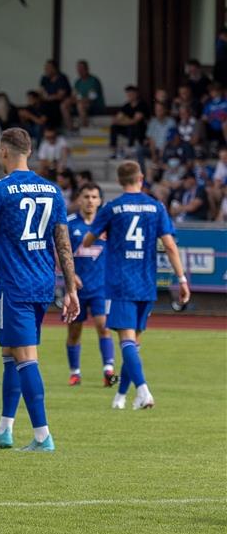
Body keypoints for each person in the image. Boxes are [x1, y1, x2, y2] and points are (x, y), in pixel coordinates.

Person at [0, 128, 78, 453]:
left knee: (25, 357)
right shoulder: (52, 190)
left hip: (15, 285)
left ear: (3, 151)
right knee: (10, 353)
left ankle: (43, 435)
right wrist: (70, 288)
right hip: (43, 283)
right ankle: (5, 429)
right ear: (29, 151)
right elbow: (63, 243)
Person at [83, 161, 190, 410]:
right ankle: (121, 397)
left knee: (126, 341)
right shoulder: (156, 207)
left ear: (120, 181)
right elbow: (170, 246)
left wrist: (101, 234)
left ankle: (143, 391)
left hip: (121, 283)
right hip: (146, 283)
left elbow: (88, 240)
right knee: (133, 343)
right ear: (140, 178)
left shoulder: (112, 208)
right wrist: (181, 279)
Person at [65, 183, 117, 388]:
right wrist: (71, 275)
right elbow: (61, 253)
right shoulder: (69, 224)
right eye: (86, 196)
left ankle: (108, 371)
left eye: (94, 197)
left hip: (101, 287)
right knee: (74, 331)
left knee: (103, 326)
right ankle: (75, 372)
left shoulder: (107, 225)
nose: (90, 201)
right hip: (76, 289)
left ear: (100, 201)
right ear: (79, 199)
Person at [109, 86, 148, 158]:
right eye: (127, 94)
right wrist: (126, 120)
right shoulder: (126, 106)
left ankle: (130, 148)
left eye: (131, 94)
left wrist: (125, 120)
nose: (129, 96)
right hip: (128, 129)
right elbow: (115, 120)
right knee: (114, 127)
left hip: (140, 131)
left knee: (132, 126)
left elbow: (135, 121)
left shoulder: (142, 105)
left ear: (136, 94)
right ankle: (113, 148)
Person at [39, 59, 72, 132]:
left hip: (58, 103)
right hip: (46, 103)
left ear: (54, 69)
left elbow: (60, 96)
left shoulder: (62, 78)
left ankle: (50, 130)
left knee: (49, 110)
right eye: (45, 67)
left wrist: (47, 97)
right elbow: (40, 93)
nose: (46, 69)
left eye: (48, 68)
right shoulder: (44, 79)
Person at [71, 60, 104, 128]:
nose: (79, 70)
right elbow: (74, 96)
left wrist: (79, 100)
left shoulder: (94, 80)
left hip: (95, 106)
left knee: (80, 105)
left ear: (87, 69)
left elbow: (91, 98)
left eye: (81, 68)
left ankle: (84, 128)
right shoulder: (78, 82)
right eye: (78, 68)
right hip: (81, 104)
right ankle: (71, 128)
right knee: (64, 105)